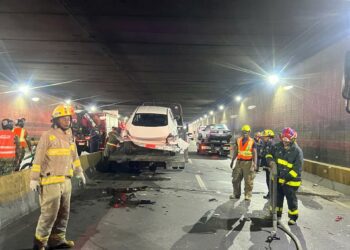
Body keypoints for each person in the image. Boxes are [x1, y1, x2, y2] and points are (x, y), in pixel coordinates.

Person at [30, 104, 86, 250]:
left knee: (63, 213)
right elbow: (38, 159)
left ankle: (57, 240)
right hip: (50, 181)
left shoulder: (70, 136)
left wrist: (79, 171)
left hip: (66, 181)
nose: (67, 121)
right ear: (56, 120)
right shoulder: (47, 136)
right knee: (49, 215)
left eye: (68, 119)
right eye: (63, 119)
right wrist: (34, 178)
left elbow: (74, 156)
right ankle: (39, 244)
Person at [266, 127, 303, 225]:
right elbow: (269, 154)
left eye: (287, 141)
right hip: (278, 179)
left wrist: (285, 178)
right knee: (277, 198)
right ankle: (276, 215)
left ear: (292, 139)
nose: (285, 143)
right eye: (283, 140)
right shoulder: (277, 146)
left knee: (291, 200)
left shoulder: (297, 152)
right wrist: (271, 162)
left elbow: (297, 170)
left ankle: (293, 217)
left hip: (291, 182)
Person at [230, 124, 258, 200]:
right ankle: (236, 194)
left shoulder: (252, 141)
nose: (245, 133)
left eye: (247, 132)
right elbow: (236, 151)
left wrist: (255, 164)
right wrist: (232, 160)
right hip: (239, 162)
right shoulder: (238, 140)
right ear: (242, 132)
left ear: (249, 132)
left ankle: (248, 195)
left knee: (248, 181)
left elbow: (255, 153)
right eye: (244, 131)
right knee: (235, 179)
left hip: (248, 163)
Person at [260, 129, 275, 199]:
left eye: (265, 137)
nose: (263, 138)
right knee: (268, 180)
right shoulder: (266, 144)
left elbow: (272, 156)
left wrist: (270, 166)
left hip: (270, 167)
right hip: (267, 166)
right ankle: (270, 193)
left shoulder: (272, 145)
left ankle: (272, 194)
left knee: (271, 181)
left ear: (269, 137)